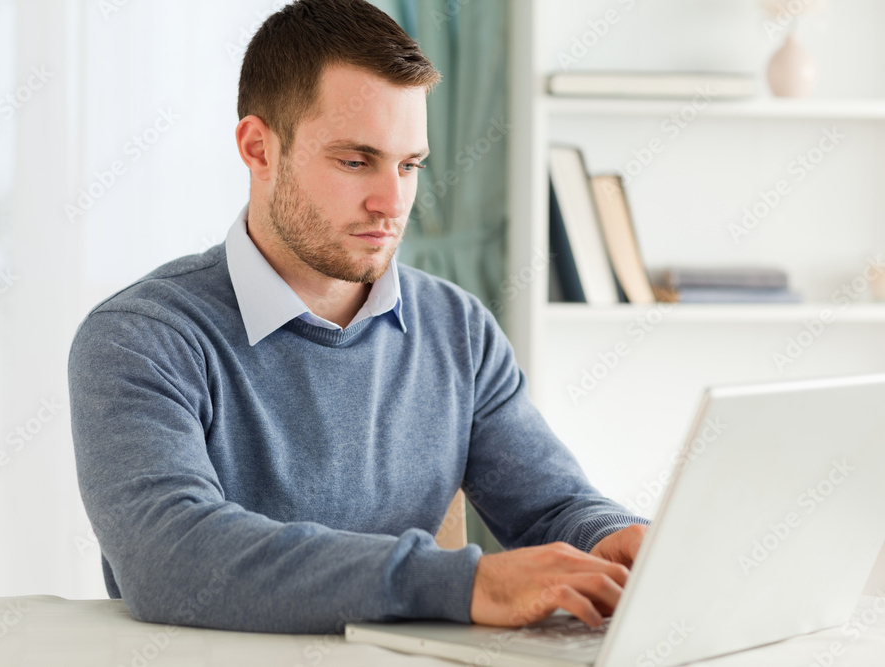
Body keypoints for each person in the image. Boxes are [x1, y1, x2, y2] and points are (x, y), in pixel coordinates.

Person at [68, 0, 648, 635]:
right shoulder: (142, 338)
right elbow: (171, 559)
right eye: (355, 161)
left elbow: (553, 506)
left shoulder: (459, 329)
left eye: (410, 165)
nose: (391, 203)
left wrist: (614, 538)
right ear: (258, 148)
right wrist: (462, 582)